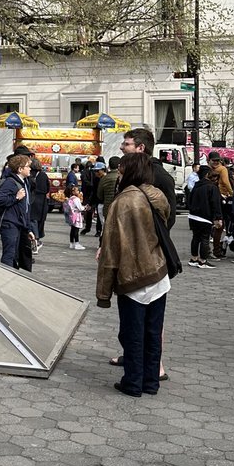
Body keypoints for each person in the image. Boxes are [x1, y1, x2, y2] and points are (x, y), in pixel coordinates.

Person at [96, 151, 170, 398]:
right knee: (153, 330)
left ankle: (132, 381)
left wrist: (103, 293)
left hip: (132, 276)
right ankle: (151, 381)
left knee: (133, 332)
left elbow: (110, 248)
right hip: (158, 272)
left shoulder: (122, 201)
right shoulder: (157, 196)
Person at [0, 154, 35, 271]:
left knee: (17, 255)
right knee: (9, 254)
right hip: (10, 223)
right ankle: (5, 275)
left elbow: (26, 208)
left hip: (19, 224)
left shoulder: (25, 182)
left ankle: (13, 276)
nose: (30, 169)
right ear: (20, 169)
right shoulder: (10, 182)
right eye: (28, 166)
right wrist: (16, 198)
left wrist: (28, 229)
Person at [186, 164, 221, 268]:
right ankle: (203, 260)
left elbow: (189, 201)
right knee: (205, 239)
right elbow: (215, 203)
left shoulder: (195, 186)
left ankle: (194, 258)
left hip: (193, 216)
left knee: (195, 237)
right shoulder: (211, 187)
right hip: (205, 217)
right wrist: (218, 218)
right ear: (207, 174)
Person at [63, 186, 86, 250]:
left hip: (71, 215)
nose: (79, 192)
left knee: (72, 229)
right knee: (76, 230)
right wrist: (84, 207)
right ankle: (77, 243)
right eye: (78, 191)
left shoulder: (70, 199)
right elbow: (80, 208)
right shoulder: (76, 199)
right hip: (76, 216)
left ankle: (71, 243)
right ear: (74, 192)